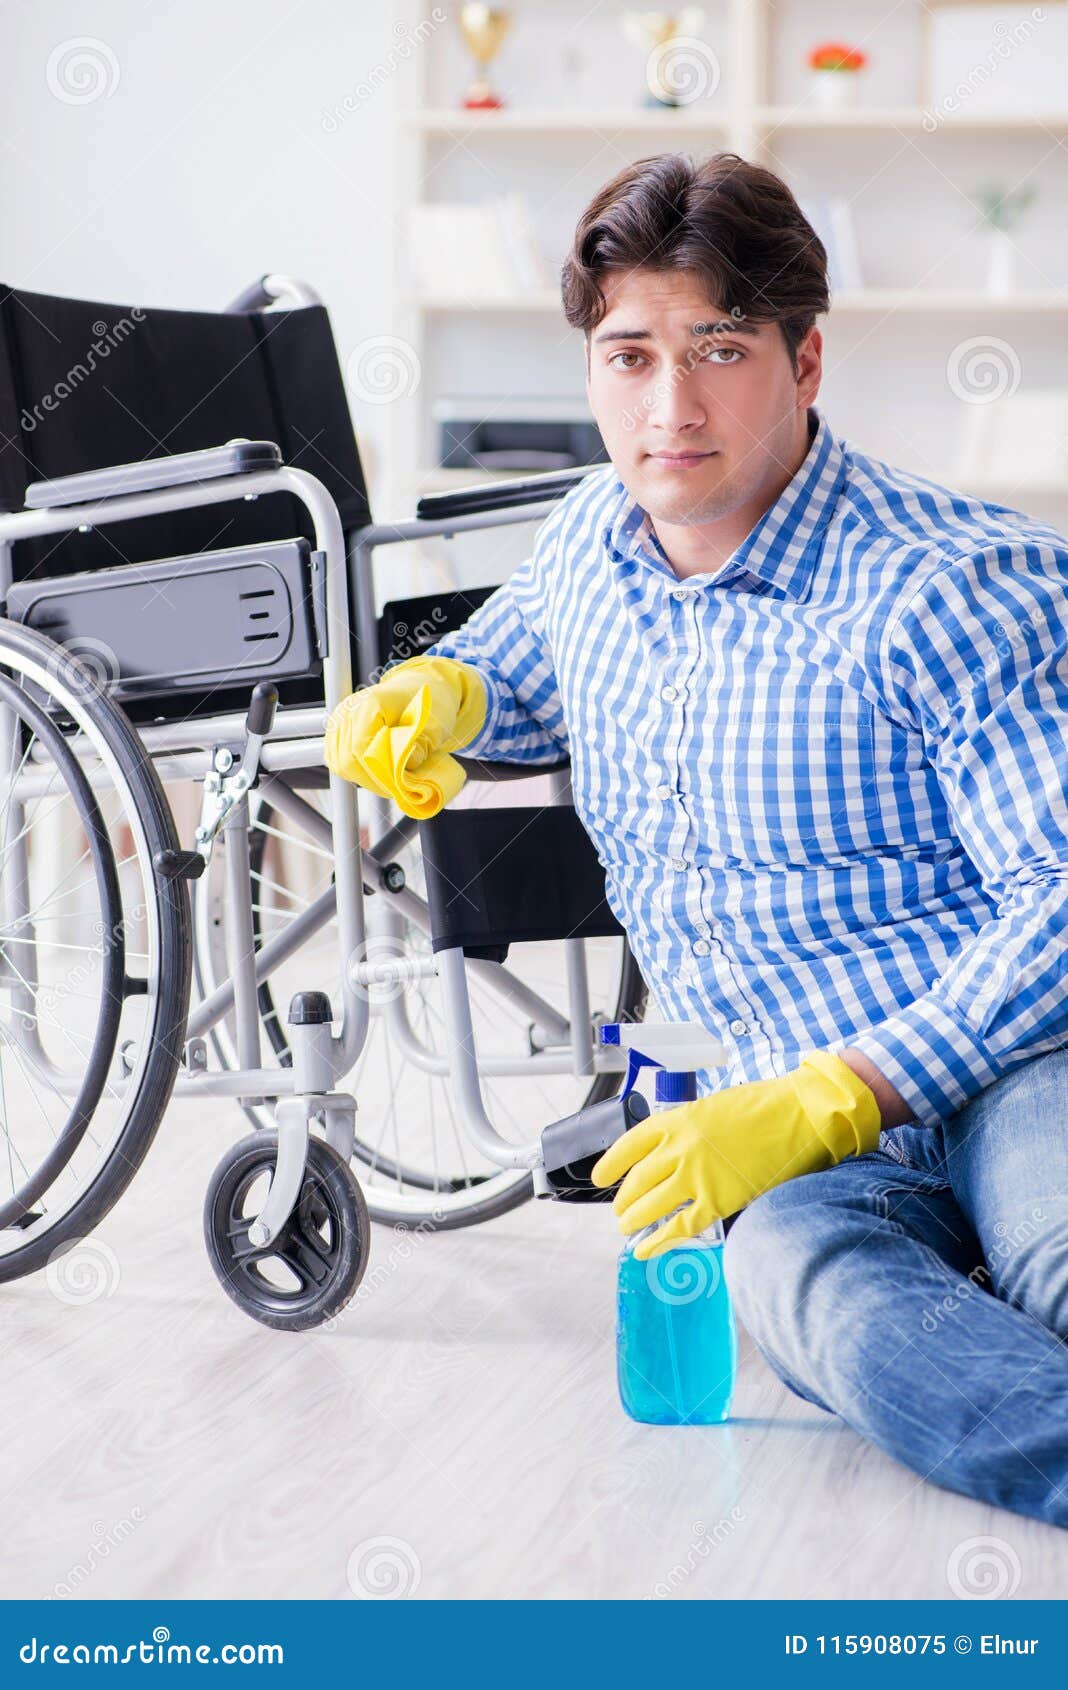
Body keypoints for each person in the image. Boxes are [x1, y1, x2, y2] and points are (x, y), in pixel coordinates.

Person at [325, 151, 1068, 1527]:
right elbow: (519, 652)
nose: (670, 407)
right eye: (630, 357)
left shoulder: (952, 584)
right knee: (818, 1303)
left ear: (806, 360)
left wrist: (842, 1090)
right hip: (784, 1142)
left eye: (720, 350)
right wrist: (442, 690)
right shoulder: (592, 541)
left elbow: (1060, 894)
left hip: (1019, 1064)